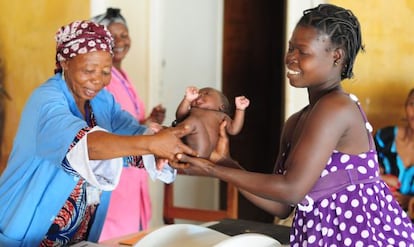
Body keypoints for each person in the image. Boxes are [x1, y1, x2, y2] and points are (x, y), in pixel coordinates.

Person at [174, 4, 414, 245]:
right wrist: (225, 163)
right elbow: (281, 205)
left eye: (303, 51)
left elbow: (292, 189)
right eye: (291, 48)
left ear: (336, 56)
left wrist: (211, 169)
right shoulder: (296, 121)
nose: (291, 57)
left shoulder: (337, 107)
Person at [0, 20, 196, 247]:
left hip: (77, 236)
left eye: (105, 72)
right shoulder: (46, 100)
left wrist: (165, 146)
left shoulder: (103, 101)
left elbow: (133, 135)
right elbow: (87, 146)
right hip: (24, 231)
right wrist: (152, 144)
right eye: (88, 70)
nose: (98, 80)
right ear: (65, 62)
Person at [91, 8, 166, 241]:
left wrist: (148, 120)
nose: (120, 42)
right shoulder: (100, 78)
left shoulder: (122, 76)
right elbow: (103, 127)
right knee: (115, 235)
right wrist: (144, 125)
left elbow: (127, 121)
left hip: (134, 172)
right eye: (112, 37)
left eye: (124, 35)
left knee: (135, 234)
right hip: (117, 173)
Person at [174, 86, 249, 158]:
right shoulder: (193, 111)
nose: (199, 96)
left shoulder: (221, 116)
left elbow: (234, 130)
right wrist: (187, 100)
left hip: (205, 151)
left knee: (193, 122)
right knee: (191, 122)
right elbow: (180, 116)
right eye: (197, 95)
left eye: (206, 93)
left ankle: (172, 135)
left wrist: (240, 109)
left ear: (221, 106)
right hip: (185, 147)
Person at [374, 88, 414, 221]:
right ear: (405, 106)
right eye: (412, 104)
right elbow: (363, 170)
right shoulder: (385, 137)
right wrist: (381, 177)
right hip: (379, 213)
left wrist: (409, 200)